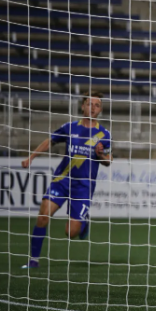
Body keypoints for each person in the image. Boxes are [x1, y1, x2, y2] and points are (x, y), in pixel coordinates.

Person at [20, 92, 112, 268]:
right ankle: (33, 260)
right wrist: (32, 157)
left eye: (97, 105)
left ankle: (84, 224)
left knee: (70, 233)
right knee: (43, 216)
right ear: (82, 106)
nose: (93, 108)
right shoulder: (70, 127)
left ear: (100, 110)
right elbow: (50, 141)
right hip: (62, 180)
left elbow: (109, 161)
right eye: (89, 104)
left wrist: (101, 154)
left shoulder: (104, 134)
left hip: (83, 187)